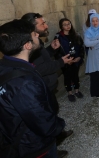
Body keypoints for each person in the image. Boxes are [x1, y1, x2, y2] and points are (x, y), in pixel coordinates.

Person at [0, 19, 66, 158]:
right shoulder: (25, 83)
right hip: (34, 146)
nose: (37, 35)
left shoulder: (6, 66)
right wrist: (59, 126)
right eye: (34, 34)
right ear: (27, 45)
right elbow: (42, 121)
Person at [21, 13, 73, 156]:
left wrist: (51, 49)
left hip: (47, 87)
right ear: (32, 27)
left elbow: (41, 59)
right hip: (41, 88)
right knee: (46, 119)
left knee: (52, 110)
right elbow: (39, 68)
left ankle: (58, 136)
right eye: (42, 24)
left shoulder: (36, 40)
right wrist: (61, 62)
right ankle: (52, 148)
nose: (46, 26)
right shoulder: (28, 45)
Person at [56, 18, 85, 102]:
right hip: (66, 62)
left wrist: (79, 57)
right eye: (65, 24)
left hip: (75, 60)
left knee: (75, 75)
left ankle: (77, 90)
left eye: (69, 24)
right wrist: (65, 60)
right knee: (67, 77)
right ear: (61, 26)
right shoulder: (58, 37)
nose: (68, 26)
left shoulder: (76, 35)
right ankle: (69, 93)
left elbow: (81, 47)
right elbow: (57, 51)